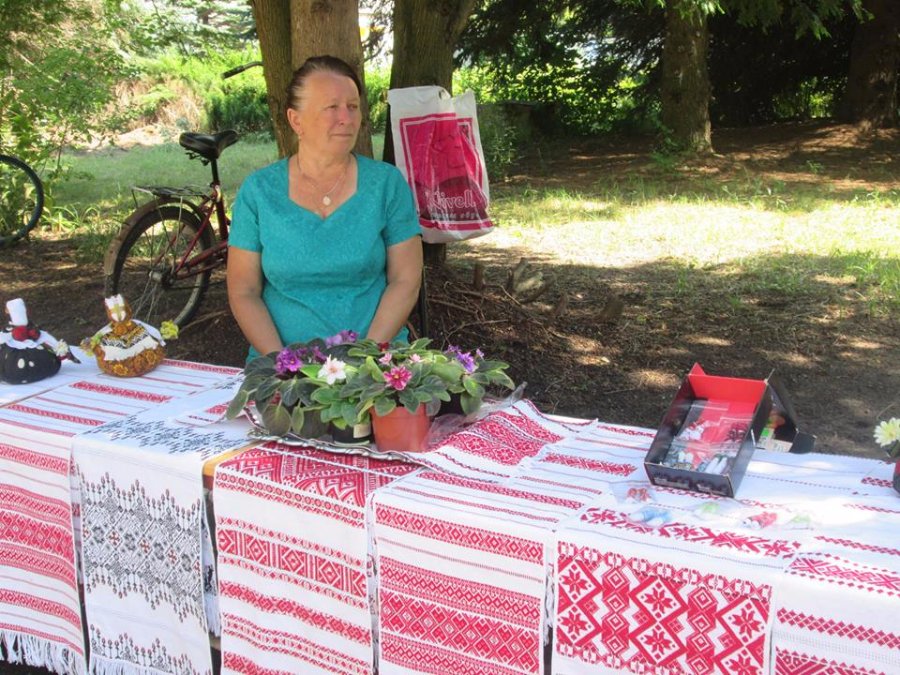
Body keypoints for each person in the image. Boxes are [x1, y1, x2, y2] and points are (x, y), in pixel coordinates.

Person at [227, 55, 423, 359]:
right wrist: (283, 364)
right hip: (279, 364)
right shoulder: (259, 191)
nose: (347, 118)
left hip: (377, 362)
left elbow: (405, 280)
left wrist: (366, 359)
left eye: (353, 106)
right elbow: (244, 291)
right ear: (296, 120)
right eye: (332, 107)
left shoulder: (386, 184)